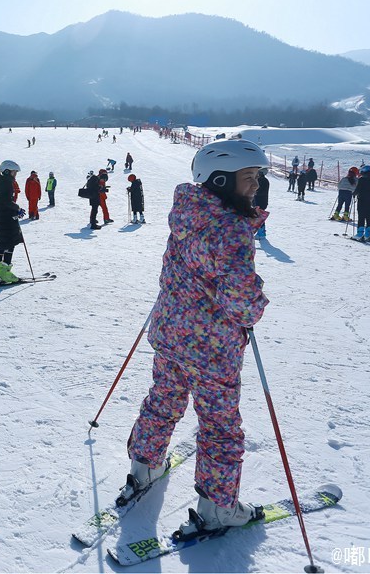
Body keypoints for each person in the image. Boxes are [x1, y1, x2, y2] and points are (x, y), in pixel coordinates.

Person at [120, 139, 269, 534]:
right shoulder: (232, 228)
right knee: (220, 426)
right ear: (220, 180)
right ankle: (218, 508)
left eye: (258, 178)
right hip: (211, 349)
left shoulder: (187, 212)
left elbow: (179, 266)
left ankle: (144, 468)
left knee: (163, 400)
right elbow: (241, 298)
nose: (256, 186)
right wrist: (254, 307)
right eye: (249, 178)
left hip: (170, 332)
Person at [0, 160, 24, 283]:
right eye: (14, 172)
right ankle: (5, 273)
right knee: (10, 242)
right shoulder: (7, 183)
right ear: (8, 171)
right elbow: (6, 202)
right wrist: (17, 208)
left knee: (1, 242)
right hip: (7, 217)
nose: (15, 175)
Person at [254, 169, 269, 238]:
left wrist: (255, 192)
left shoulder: (264, 181)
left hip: (262, 201)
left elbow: (263, 192)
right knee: (257, 216)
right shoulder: (258, 180)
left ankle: (261, 233)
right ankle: (260, 232)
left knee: (260, 217)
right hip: (257, 201)